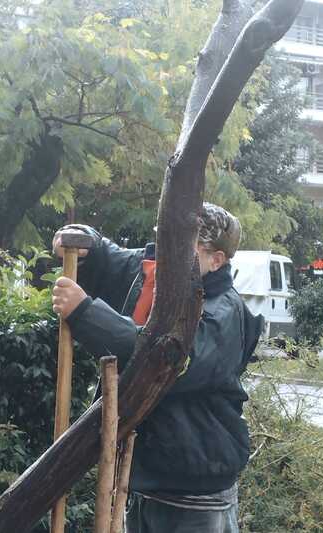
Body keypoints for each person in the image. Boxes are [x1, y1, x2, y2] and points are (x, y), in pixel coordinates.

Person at [52, 203, 263, 533]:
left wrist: (85, 314)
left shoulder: (222, 313)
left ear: (216, 260)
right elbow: (113, 260)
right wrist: (85, 244)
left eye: (182, 247)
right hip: (143, 481)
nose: (168, 255)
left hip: (194, 490)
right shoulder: (157, 274)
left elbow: (165, 358)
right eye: (166, 241)